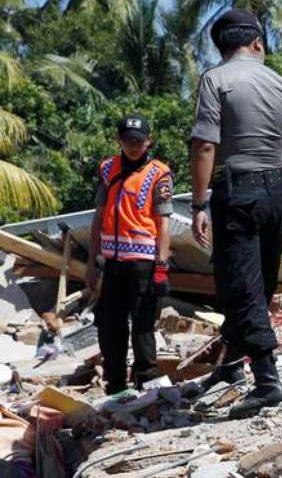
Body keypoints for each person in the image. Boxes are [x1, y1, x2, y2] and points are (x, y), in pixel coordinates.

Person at [189, 9, 282, 419]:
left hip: (237, 193)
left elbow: (204, 145)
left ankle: (268, 382)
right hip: (276, 193)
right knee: (261, 283)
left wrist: (199, 204)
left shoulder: (215, 79)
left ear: (224, 46)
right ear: (257, 42)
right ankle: (232, 365)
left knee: (242, 286)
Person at [86, 113, 173, 394]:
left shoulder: (159, 173)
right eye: (127, 140)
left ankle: (147, 383)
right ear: (118, 140)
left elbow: (164, 223)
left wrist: (161, 267)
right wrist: (91, 262)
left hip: (144, 263)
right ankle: (115, 384)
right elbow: (99, 217)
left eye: (138, 140)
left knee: (143, 325)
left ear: (149, 141)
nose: (133, 145)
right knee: (110, 325)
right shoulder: (107, 168)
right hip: (112, 263)